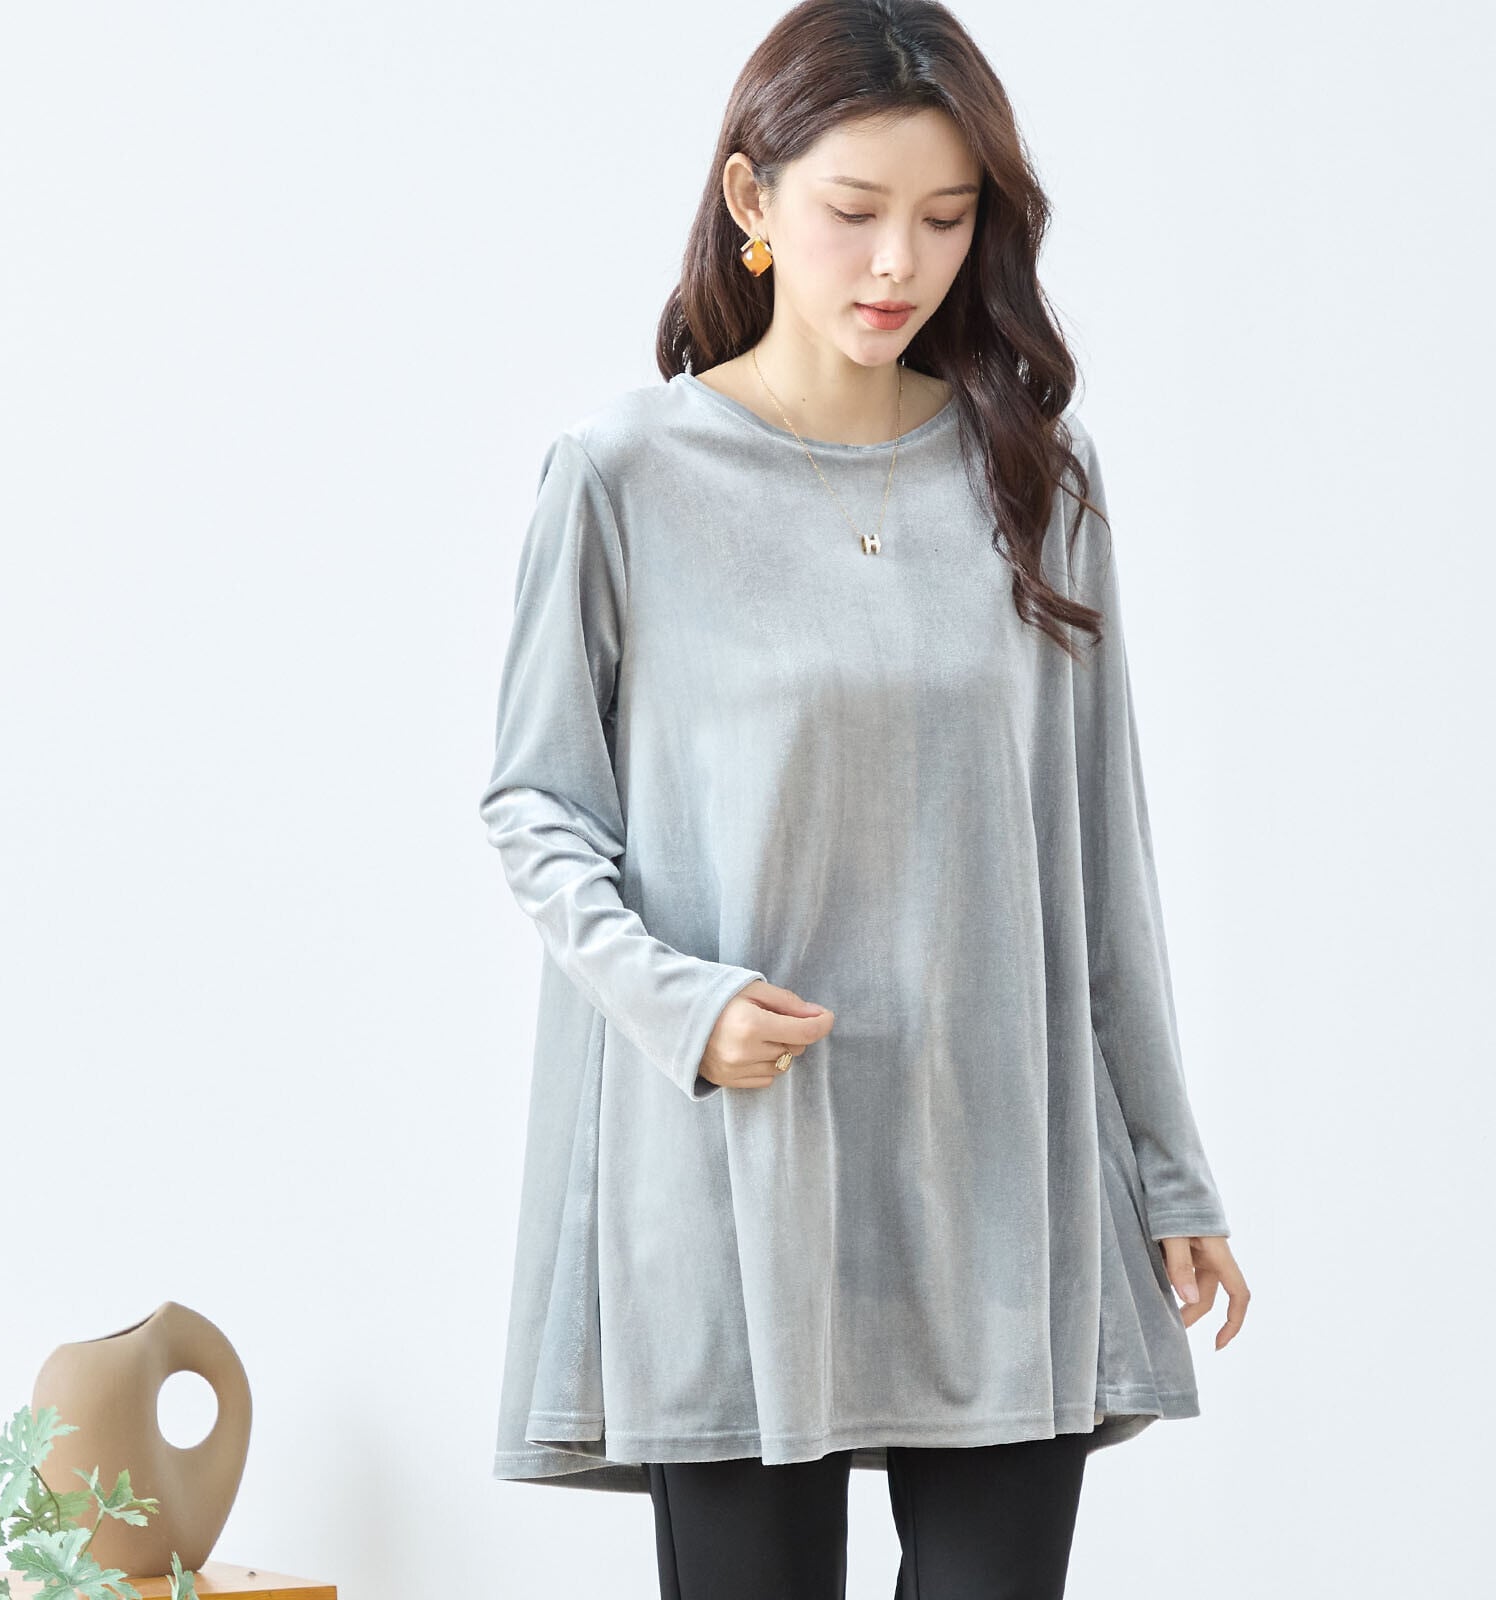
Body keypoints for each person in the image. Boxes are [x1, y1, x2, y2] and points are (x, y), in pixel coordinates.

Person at [476, 0, 1251, 1593]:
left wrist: (1168, 1168)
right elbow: (537, 804)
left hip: (1000, 1186)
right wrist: (680, 1005)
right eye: (855, 210)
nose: (900, 262)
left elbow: (1103, 855)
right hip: (737, 1186)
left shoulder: (1039, 478)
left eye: (946, 218)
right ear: (752, 200)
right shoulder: (625, 476)